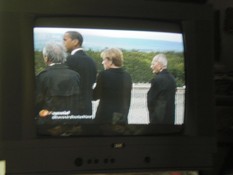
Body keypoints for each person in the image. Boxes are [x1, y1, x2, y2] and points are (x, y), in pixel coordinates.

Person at [35, 42, 81, 116]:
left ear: (46, 57)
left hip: (48, 120)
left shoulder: (42, 76)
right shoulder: (75, 75)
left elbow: (38, 102)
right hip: (70, 120)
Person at [93, 48, 132, 124]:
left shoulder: (103, 74)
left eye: (104, 59)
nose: (102, 62)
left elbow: (95, 96)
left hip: (105, 117)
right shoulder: (127, 76)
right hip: (121, 117)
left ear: (110, 61)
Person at [63, 31, 97, 115]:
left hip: (72, 108)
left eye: (65, 40)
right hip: (87, 107)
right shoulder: (91, 61)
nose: (63, 43)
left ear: (75, 42)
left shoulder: (69, 59)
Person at [147, 53, 176, 124]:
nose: (151, 67)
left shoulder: (157, 80)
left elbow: (151, 102)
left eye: (153, 64)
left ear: (159, 65)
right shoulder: (172, 79)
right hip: (170, 119)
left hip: (158, 120)